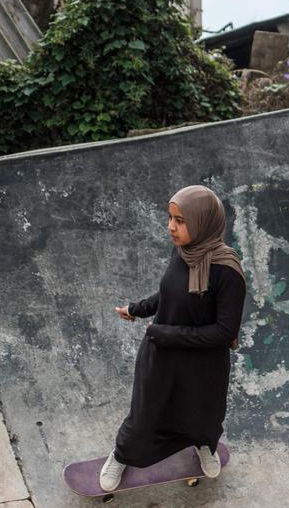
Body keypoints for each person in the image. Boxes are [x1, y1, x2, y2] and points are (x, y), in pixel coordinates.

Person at [100, 185, 247, 492]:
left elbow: (224, 332)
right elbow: (169, 293)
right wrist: (137, 309)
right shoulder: (182, 251)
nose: (171, 227)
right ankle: (120, 455)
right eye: (170, 218)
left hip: (203, 363)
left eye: (180, 220)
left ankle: (204, 445)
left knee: (202, 414)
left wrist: (166, 333)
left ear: (204, 221)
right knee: (144, 415)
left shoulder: (227, 271)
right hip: (163, 357)